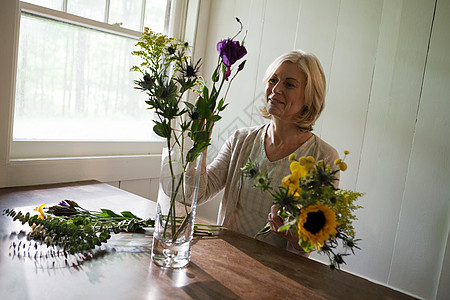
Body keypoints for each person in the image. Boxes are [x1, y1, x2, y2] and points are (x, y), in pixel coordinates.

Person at [196, 49, 339, 254]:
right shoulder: (241, 140)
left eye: (289, 84)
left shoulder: (324, 158)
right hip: (227, 259)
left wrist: (292, 234)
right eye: (273, 80)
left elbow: (316, 241)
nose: (276, 89)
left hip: (279, 276)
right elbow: (198, 193)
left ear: (309, 97)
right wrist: (200, 144)